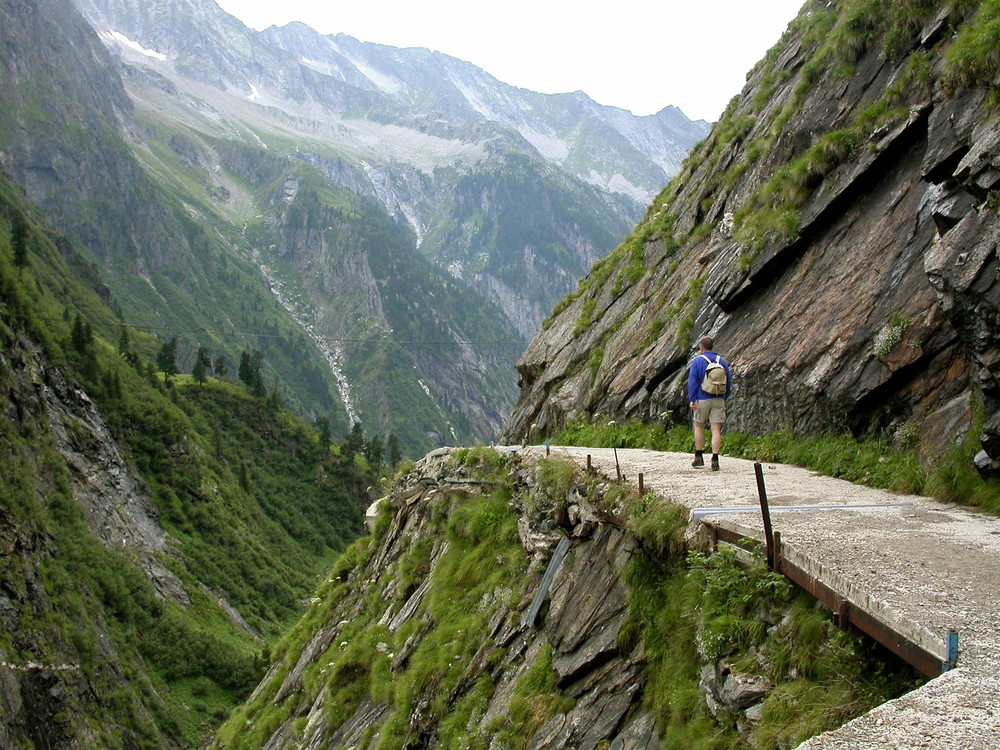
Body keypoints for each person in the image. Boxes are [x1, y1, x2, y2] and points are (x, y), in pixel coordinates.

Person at [688, 336, 731, 471]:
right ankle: (715, 459)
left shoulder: (697, 361)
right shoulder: (722, 361)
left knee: (699, 425)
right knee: (716, 429)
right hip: (718, 398)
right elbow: (728, 380)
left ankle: (699, 456)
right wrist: (725, 397)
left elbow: (693, 381)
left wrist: (692, 399)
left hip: (702, 398)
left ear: (701, 347)